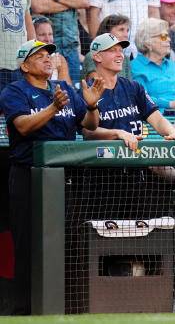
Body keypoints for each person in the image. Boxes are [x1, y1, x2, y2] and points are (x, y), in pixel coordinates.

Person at [0, 39, 103, 315]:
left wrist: (92, 107)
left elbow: (89, 126)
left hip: (68, 178)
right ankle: (24, 310)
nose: (48, 59)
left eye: (49, 55)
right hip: (29, 177)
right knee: (27, 245)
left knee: (70, 243)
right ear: (24, 65)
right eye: (39, 56)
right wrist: (53, 109)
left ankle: (68, 308)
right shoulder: (15, 91)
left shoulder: (65, 88)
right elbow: (22, 126)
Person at [81, 32, 175, 150]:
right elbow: (88, 133)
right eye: (112, 51)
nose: (120, 55)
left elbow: (157, 119)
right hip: (103, 162)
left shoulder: (134, 87)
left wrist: (173, 132)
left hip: (136, 160)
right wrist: (118, 133)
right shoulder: (87, 93)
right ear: (97, 56)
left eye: (120, 51)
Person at [131, 18, 175, 111]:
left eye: (168, 36)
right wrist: (170, 104)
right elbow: (142, 98)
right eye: (163, 36)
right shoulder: (135, 67)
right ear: (147, 43)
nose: (169, 39)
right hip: (156, 121)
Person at [82, 14, 133, 81]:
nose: (126, 35)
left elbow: (129, 87)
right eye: (121, 30)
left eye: (127, 31)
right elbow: (96, 86)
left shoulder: (125, 58)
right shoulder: (93, 55)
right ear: (107, 32)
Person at [33, 16, 72, 85]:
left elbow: (67, 91)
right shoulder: (29, 61)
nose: (47, 39)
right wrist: (52, 68)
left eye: (50, 34)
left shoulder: (59, 59)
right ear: (33, 36)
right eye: (42, 35)